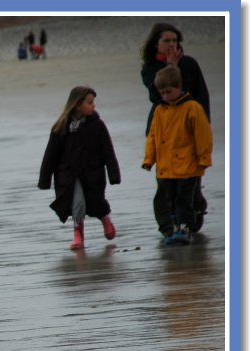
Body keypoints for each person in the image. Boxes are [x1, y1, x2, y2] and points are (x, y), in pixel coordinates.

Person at [140, 22, 210, 235]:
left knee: (189, 184)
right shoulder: (150, 67)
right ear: (156, 44)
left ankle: (191, 218)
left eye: (174, 40)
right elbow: (155, 96)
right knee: (166, 185)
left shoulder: (189, 64)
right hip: (162, 129)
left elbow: (201, 95)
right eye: (166, 41)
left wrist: (204, 127)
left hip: (188, 129)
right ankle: (171, 224)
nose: (171, 44)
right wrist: (170, 67)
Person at [38, 86, 121, 250]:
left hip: (93, 173)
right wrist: (44, 180)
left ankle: (105, 219)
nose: (93, 106)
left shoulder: (97, 125)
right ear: (77, 105)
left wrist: (114, 175)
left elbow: (108, 152)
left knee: (95, 200)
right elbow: (50, 156)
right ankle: (78, 233)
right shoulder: (61, 127)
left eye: (93, 102)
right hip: (69, 175)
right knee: (77, 202)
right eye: (90, 103)